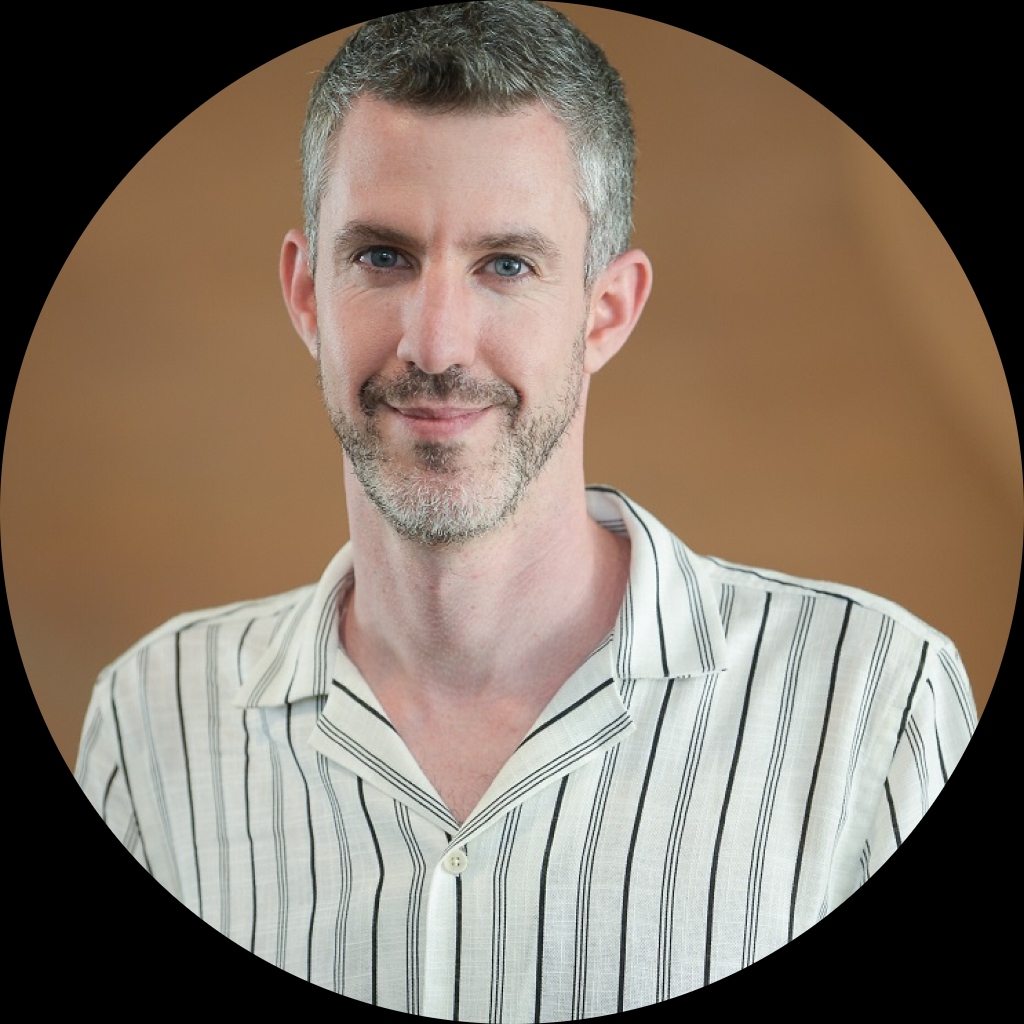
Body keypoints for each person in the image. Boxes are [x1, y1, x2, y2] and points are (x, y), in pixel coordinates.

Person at [75, 2, 976, 1017]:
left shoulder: (871, 708)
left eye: (506, 265)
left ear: (606, 311)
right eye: (382, 256)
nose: (436, 343)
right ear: (306, 293)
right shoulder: (150, 725)